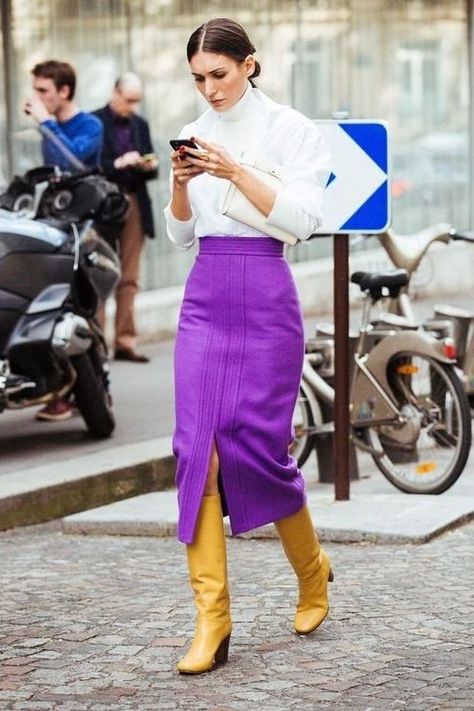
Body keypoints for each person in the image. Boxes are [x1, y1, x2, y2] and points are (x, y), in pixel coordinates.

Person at [165, 18, 333, 675]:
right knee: (196, 452)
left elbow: (303, 221)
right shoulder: (195, 129)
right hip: (205, 296)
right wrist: (181, 185)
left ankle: (314, 572)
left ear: (250, 65)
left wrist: (233, 169)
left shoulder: (292, 130)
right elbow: (180, 237)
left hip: (266, 296)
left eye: (220, 74)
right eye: (198, 78)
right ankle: (213, 620)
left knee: (260, 450)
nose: (208, 89)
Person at [24, 60, 103, 421]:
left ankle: (98, 390)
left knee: (86, 307)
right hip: (54, 226)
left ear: (63, 91)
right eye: (37, 89)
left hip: (86, 229)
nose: (37, 97)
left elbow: (71, 161)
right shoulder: (51, 124)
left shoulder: (90, 125)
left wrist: (45, 121)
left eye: (44, 90)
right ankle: (61, 388)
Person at [93, 73, 158, 363]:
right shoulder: (93, 122)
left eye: (137, 101)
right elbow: (91, 166)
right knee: (99, 276)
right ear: (115, 92)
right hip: (104, 203)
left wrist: (148, 163)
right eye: (128, 100)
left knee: (130, 277)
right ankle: (95, 346)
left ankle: (124, 341)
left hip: (133, 200)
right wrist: (119, 163)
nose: (132, 107)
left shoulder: (140, 124)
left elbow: (153, 165)